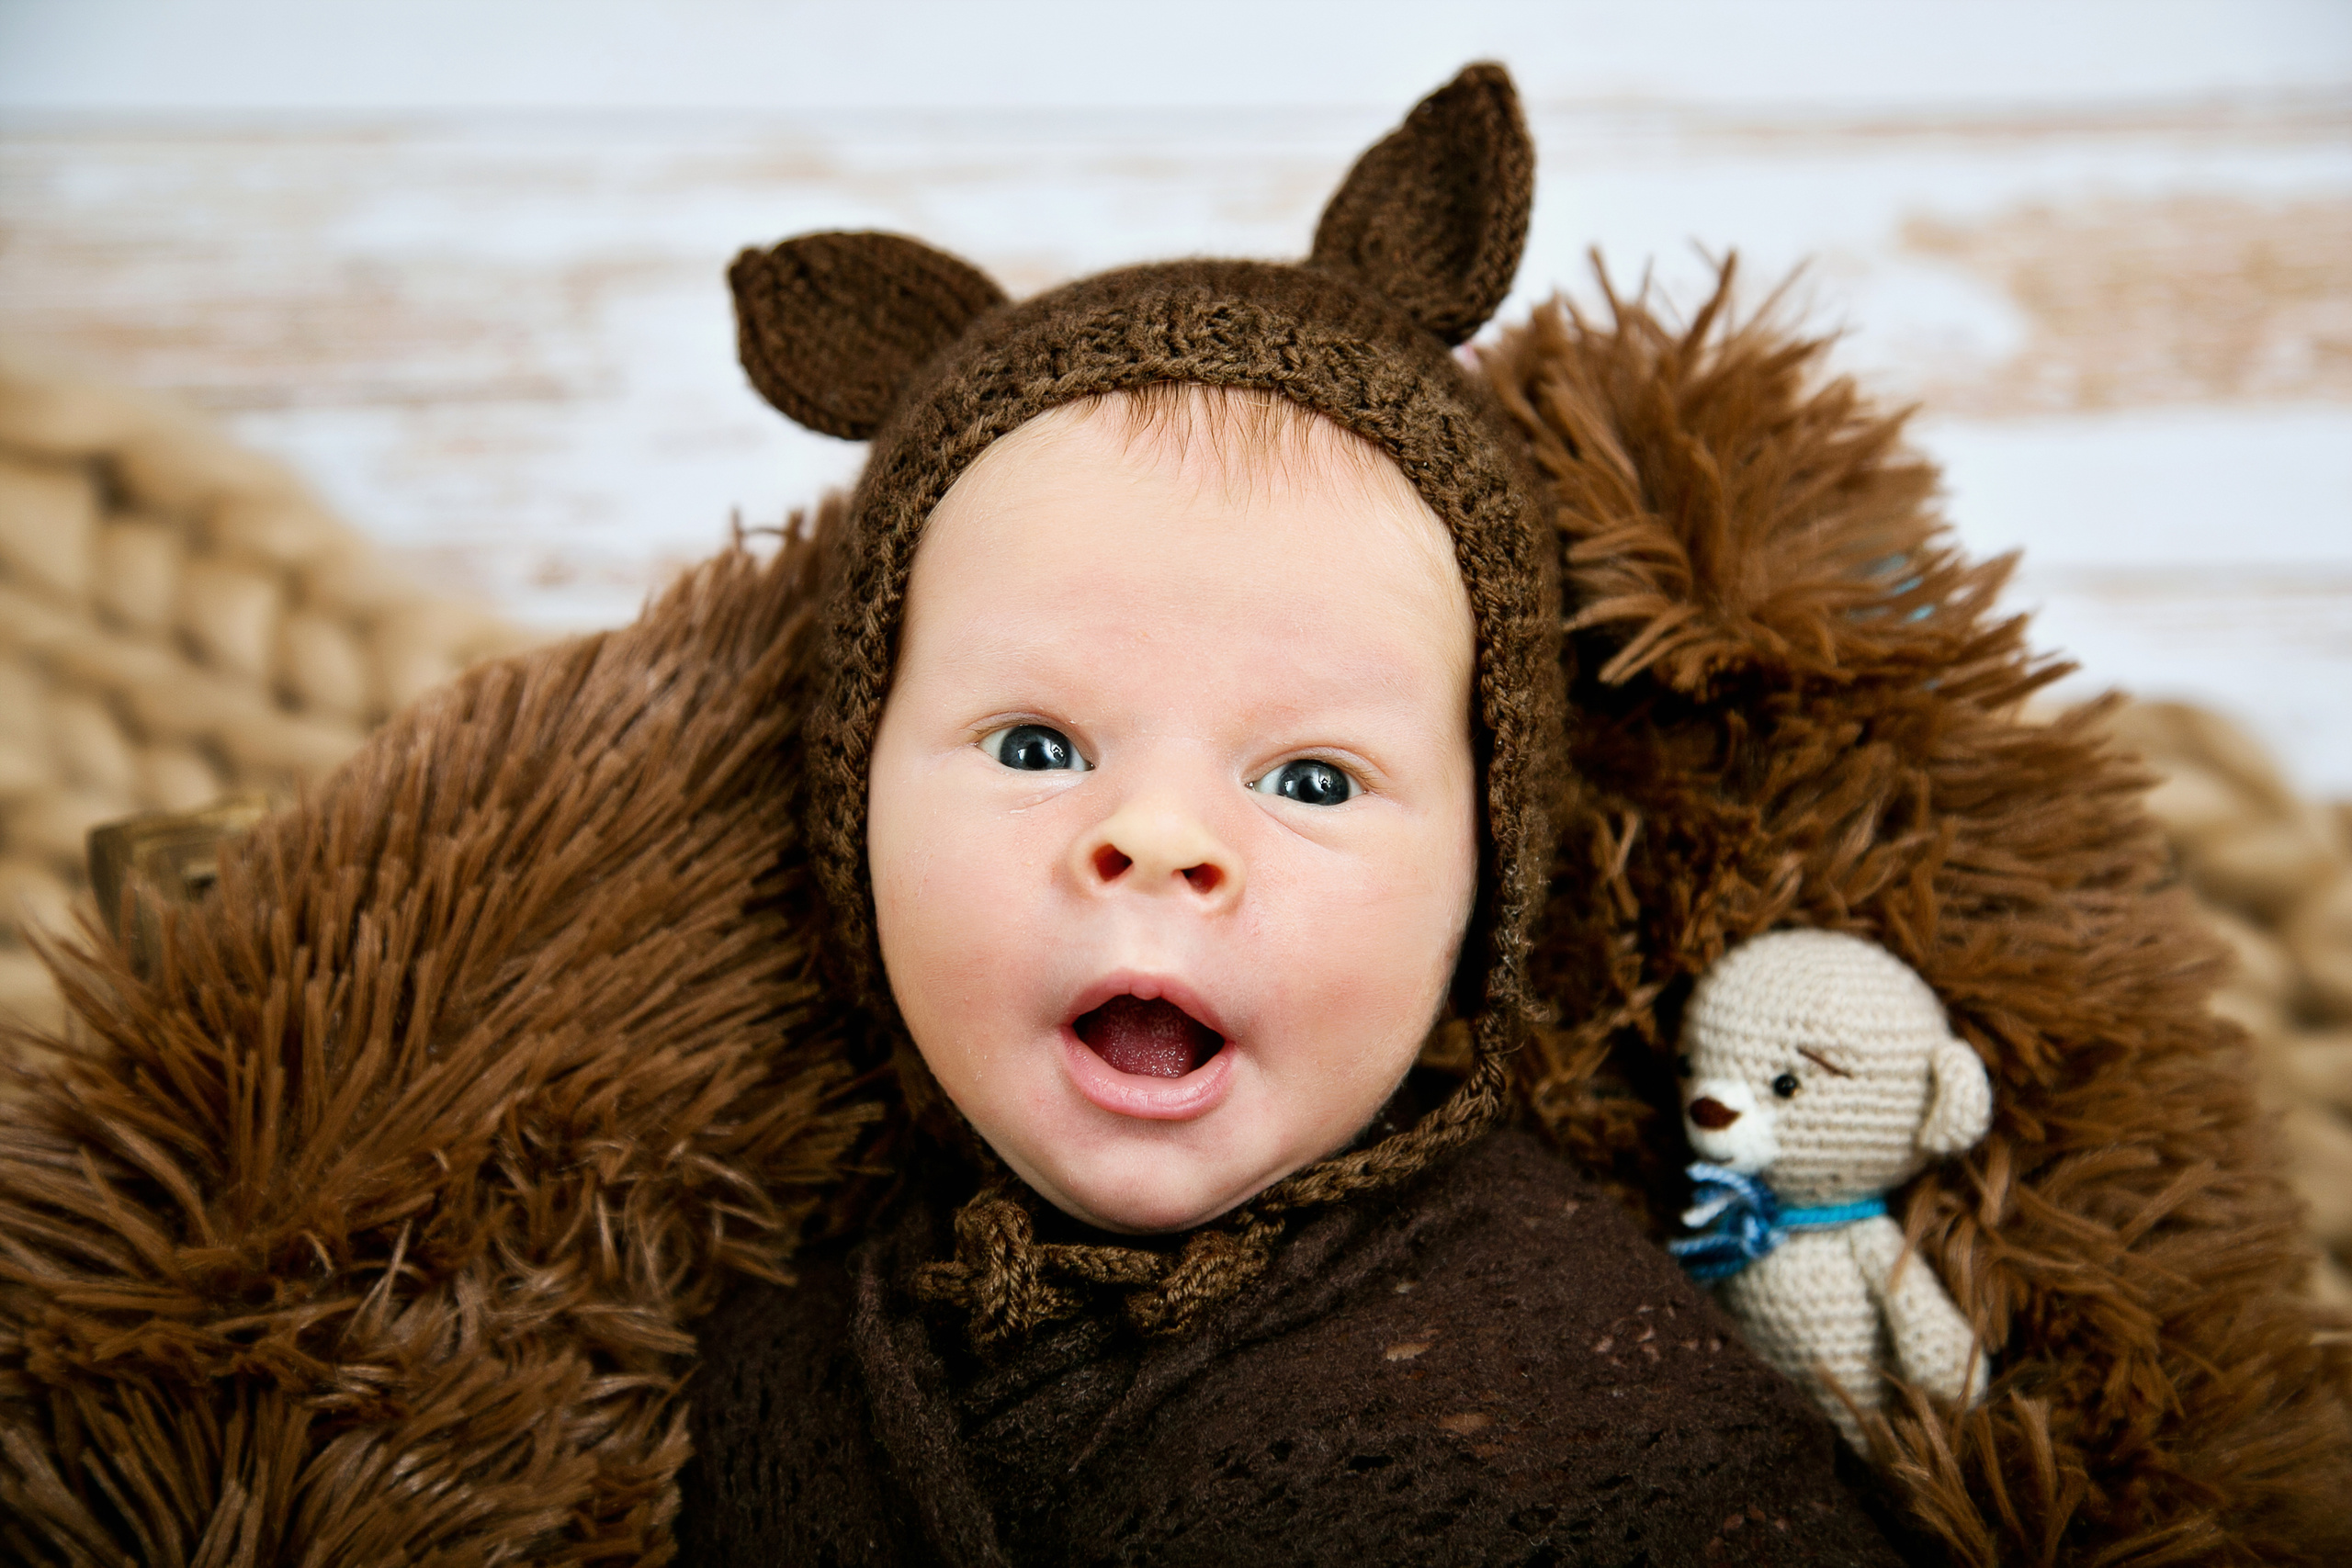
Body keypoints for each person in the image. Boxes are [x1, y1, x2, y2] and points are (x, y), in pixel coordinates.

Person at [674, 63, 1908, 1564]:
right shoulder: (762, 1364)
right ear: (852, 810)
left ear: (1485, 888)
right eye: (1038, 745)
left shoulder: (1576, 1366)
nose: (1159, 836)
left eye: (1312, 781)